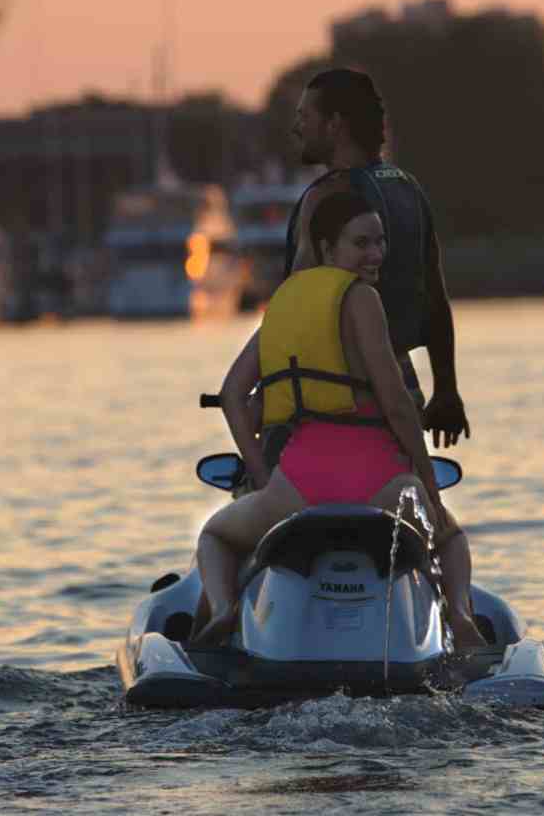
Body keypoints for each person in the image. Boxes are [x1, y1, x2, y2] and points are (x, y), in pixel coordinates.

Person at [193, 191, 485, 648]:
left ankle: (226, 608)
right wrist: (427, 481)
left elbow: (233, 395)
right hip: (382, 485)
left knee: (215, 536)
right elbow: (395, 402)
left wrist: (262, 473)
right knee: (449, 538)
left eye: (380, 242)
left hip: (298, 488)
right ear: (328, 249)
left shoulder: (284, 307)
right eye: (361, 243)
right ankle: (462, 619)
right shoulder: (363, 299)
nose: (376, 254)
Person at [282, 67, 481, 634]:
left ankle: (281, 624)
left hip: (328, 397)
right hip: (403, 385)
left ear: (336, 124)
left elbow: (297, 302)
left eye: (306, 117)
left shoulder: (330, 200)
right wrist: (445, 388)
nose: (297, 127)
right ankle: (443, 615)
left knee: (285, 512)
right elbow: (435, 295)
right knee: (417, 513)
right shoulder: (406, 189)